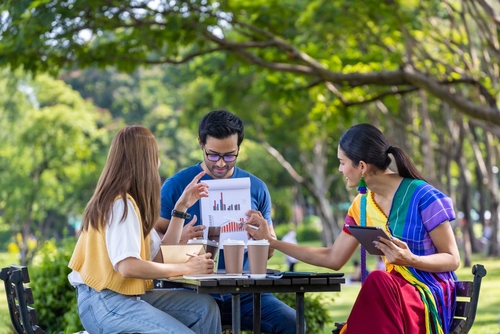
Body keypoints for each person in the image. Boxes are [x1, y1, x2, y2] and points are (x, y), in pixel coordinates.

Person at [245, 123, 460, 334]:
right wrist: (272, 241)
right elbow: (333, 257)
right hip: (391, 297)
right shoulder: (362, 205)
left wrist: (411, 259)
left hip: (427, 295)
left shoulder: (424, 196)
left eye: (342, 162)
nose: (340, 169)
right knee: (380, 281)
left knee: (378, 279)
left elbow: (452, 259)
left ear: (362, 166)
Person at [68, 125, 221, 334]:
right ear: (144, 161)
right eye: (155, 156)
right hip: (104, 303)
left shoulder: (129, 203)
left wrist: (180, 207)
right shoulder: (120, 204)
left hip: (119, 297)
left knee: (204, 308)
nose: (158, 163)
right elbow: (128, 267)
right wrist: (187, 268)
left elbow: (158, 258)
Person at [155, 110, 298, 333]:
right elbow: (153, 242)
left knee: (291, 322)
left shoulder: (256, 187)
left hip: (246, 294)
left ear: (239, 148)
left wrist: (262, 238)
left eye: (230, 156)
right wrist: (178, 238)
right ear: (200, 143)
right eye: (213, 155)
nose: (221, 163)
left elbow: (270, 250)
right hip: (191, 291)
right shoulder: (177, 185)